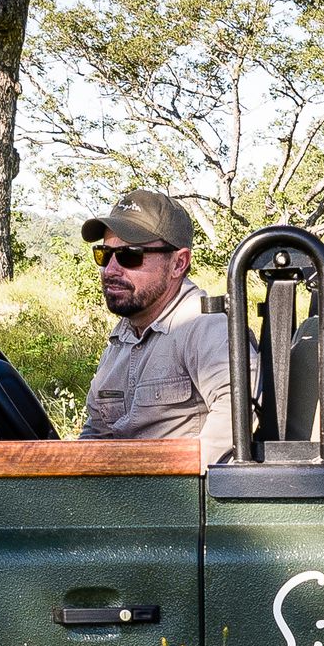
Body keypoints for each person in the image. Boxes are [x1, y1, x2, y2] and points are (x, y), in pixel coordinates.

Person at [77, 187, 236, 458]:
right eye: (104, 254)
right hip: (124, 493)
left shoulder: (204, 325)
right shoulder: (124, 334)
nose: (110, 270)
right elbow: (97, 433)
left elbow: (236, 413)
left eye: (130, 255)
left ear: (178, 263)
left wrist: (182, 478)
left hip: (178, 497)